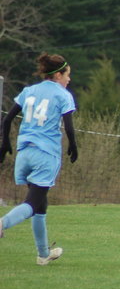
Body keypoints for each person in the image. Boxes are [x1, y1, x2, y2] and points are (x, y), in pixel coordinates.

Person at [0, 52, 78, 265]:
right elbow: (69, 126)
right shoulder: (63, 95)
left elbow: (6, 120)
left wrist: (5, 144)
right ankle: (2, 224)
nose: (69, 79)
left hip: (24, 153)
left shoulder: (30, 91)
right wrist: (73, 145)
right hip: (45, 155)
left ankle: (43, 255)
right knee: (33, 203)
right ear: (58, 75)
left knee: (40, 205)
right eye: (67, 75)